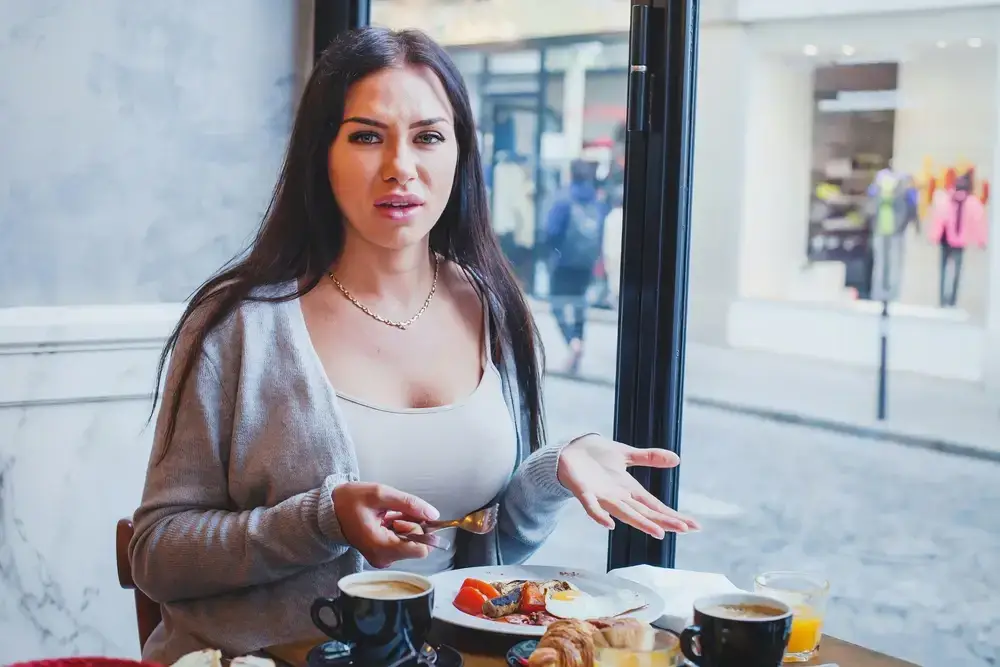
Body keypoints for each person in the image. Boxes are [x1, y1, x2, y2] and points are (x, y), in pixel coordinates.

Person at [129, 27, 698, 663]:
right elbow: (156, 554)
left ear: (460, 154)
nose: (401, 166)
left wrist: (556, 468)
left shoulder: (495, 309)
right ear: (323, 152)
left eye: (428, 136)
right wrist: (324, 520)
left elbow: (491, 552)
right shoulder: (239, 324)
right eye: (367, 136)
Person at [545, 159, 607, 373]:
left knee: (557, 304)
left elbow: (552, 231)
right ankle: (579, 339)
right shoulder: (595, 201)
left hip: (563, 262)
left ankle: (573, 342)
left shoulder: (564, 199)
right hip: (586, 263)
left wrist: (553, 252)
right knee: (580, 304)